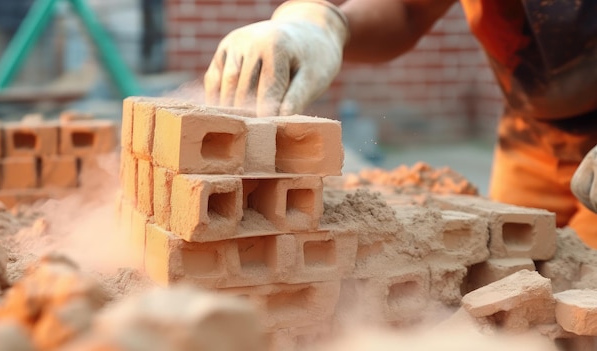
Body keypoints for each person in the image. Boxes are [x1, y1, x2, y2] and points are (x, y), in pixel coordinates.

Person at [203, 0, 597, 249]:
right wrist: (327, 23)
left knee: (583, 295)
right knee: (512, 267)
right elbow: (409, 10)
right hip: (532, 132)